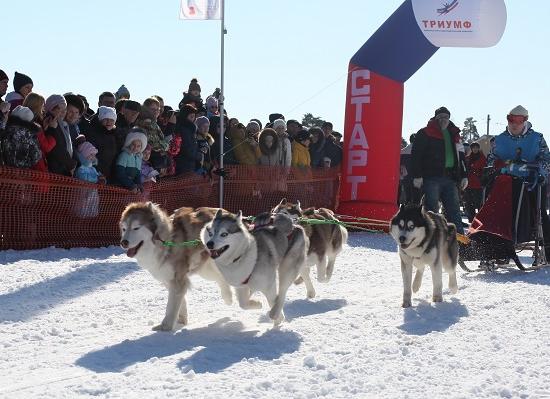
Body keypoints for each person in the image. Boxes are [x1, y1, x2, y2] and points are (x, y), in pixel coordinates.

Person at [487, 105, 550, 258]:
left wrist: (540, 171)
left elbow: (546, 160)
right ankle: (498, 249)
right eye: (511, 119)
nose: (514, 124)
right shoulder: (499, 140)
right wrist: (492, 170)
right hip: (505, 184)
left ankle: (547, 247)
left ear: (525, 121)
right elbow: (491, 160)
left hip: (532, 182)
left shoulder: (537, 138)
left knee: (540, 212)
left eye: (518, 120)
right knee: (497, 210)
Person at [411, 106, 468, 234]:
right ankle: (431, 238)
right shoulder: (425, 132)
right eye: (440, 117)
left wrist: (464, 175)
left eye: (446, 117)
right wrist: (417, 175)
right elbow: (416, 155)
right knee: (431, 210)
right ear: (435, 118)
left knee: (454, 211)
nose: (444, 120)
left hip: (450, 178)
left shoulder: (454, 134)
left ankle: (459, 243)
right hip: (431, 178)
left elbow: (461, 157)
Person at [464, 141, 486, 222]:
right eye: (473, 148)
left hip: (478, 184)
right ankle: (471, 218)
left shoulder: (482, 158)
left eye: (476, 147)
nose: (475, 149)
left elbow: (483, 169)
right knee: (469, 203)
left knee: (478, 202)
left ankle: (480, 219)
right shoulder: (468, 158)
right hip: (469, 184)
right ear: (471, 149)